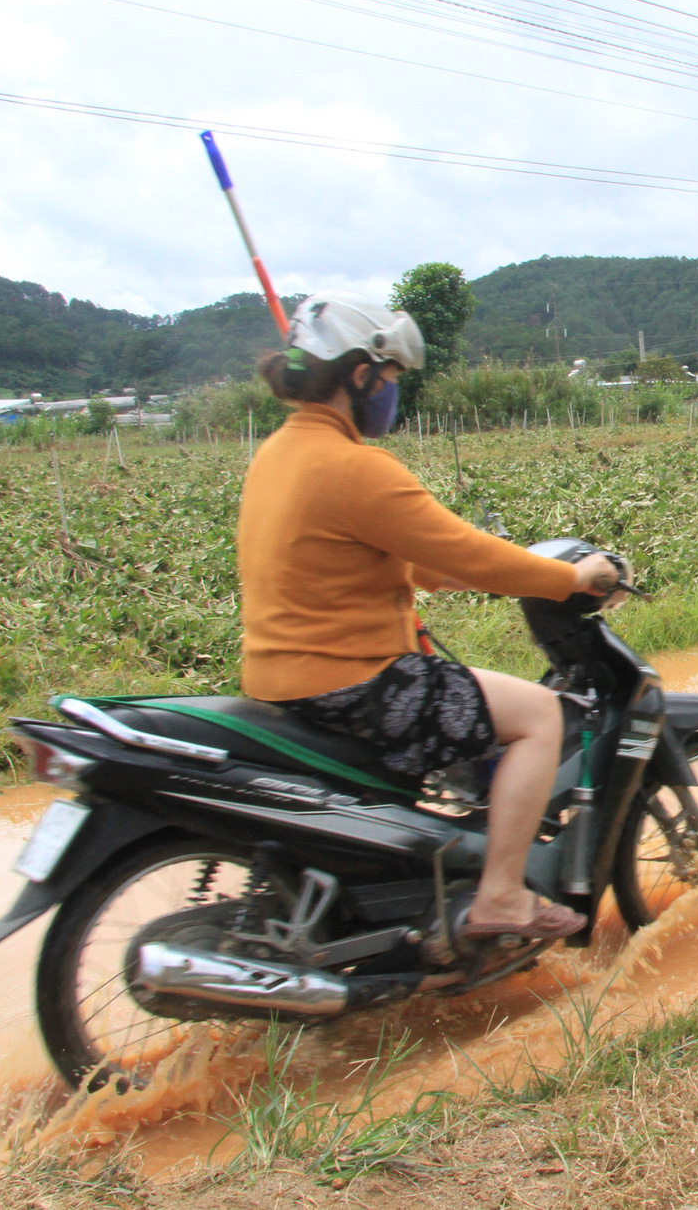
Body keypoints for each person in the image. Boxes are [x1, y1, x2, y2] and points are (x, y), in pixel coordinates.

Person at [237, 292, 618, 950]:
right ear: (359, 375)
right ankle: (501, 893)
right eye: (389, 379)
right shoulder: (356, 468)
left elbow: (391, 556)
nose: (391, 392)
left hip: (280, 677)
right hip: (355, 680)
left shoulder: (277, 455)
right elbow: (470, 551)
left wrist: (445, 572)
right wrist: (573, 577)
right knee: (538, 715)